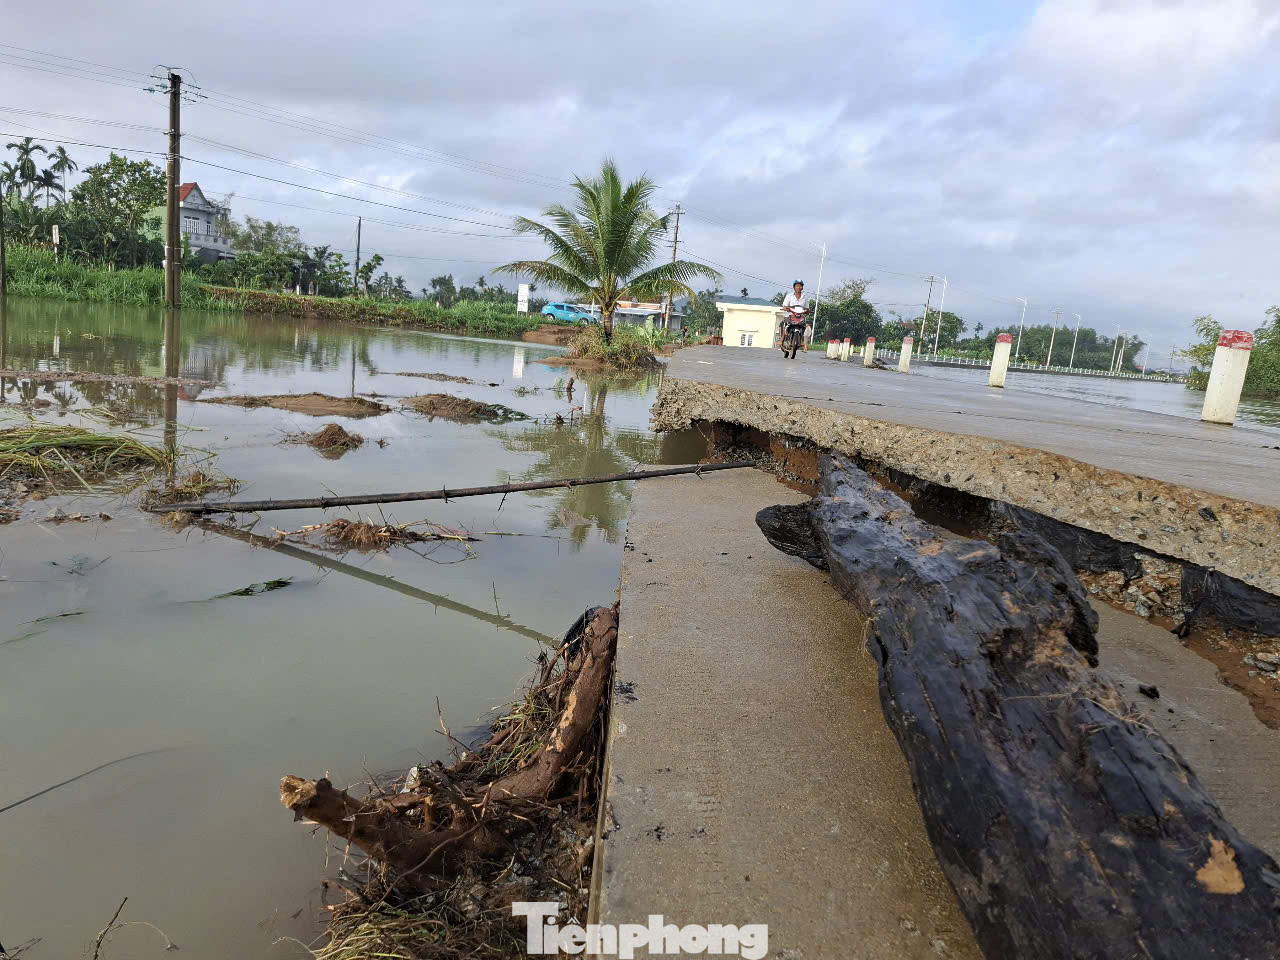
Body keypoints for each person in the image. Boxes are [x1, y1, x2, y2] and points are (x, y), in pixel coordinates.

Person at [779, 280, 809, 350]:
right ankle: (782, 340)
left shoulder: (804, 297)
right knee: (786, 325)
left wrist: (807, 311)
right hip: (790, 315)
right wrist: (786, 308)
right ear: (794, 287)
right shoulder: (789, 296)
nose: (799, 287)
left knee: (803, 326)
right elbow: (784, 305)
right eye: (797, 286)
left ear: (802, 287)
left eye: (800, 286)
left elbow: (807, 308)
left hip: (800, 316)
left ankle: (801, 340)